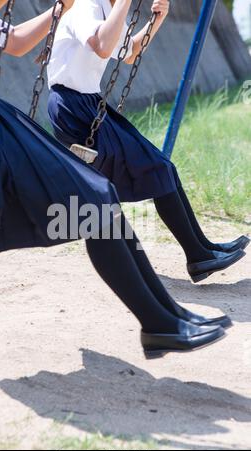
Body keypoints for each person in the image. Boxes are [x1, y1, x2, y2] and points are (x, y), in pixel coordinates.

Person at [0, 0, 229, 357]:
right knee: (93, 203)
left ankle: (168, 314)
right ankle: (161, 323)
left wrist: (58, 8)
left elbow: (15, 41)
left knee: (101, 195)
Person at [47, 0, 249, 284]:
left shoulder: (106, 10)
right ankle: (198, 255)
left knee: (163, 165)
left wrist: (157, 19)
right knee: (154, 167)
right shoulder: (85, 8)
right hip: (74, 106)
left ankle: (203, 248)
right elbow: (103, 47)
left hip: (88, 103)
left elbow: (128, 52)